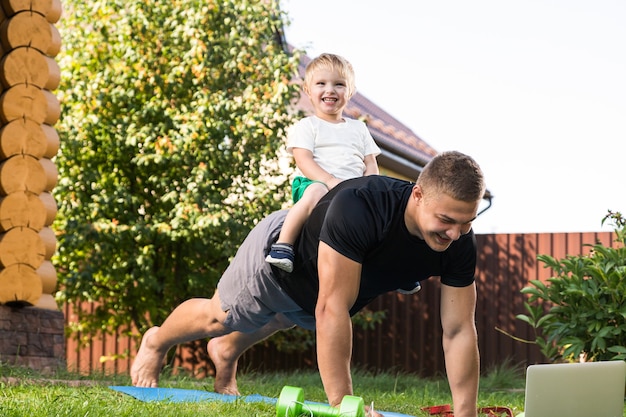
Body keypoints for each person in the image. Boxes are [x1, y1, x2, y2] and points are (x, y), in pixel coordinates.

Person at [131, 151, 486, 417]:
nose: (455, 233)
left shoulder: (458, 245)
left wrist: (465, 413)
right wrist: (345, 407)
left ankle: (226, 351)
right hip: (278, 266)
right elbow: (331, 309)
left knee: (283, 316)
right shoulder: (362, 206)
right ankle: (157, 340)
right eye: (446, 220)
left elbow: (458, 330)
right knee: (220, 317)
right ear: (419, 195)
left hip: (317, 297)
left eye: (466, 222)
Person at [265, 53, 380, 273]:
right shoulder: (308, 125)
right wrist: (329, 180)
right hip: (315, 182)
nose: (330, 90)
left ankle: (396, 264)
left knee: (385, 210)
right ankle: (284, 244)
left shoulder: (359, 129)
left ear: (350, 91)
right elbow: (303, 159)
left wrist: (370, 186)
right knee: (316, 192)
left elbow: (370, 163)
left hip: (354, 188)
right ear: (308, 90)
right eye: (321, 84)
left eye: (339, 84)